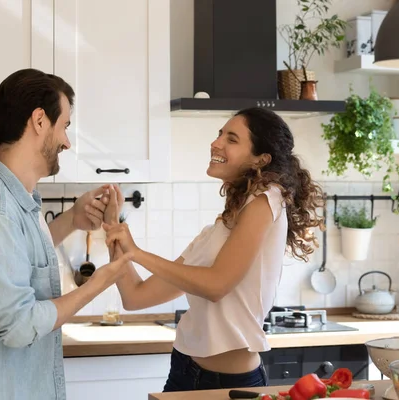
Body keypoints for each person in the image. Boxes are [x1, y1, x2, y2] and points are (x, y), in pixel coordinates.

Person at [0, 68, 132, 400]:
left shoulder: (12, 200)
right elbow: (18, 325)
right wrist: (100, 282)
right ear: (40, 120)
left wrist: (72, 219)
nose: (67, 142)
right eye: (65, 126)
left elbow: (15, 257)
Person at [102, 107, 325, 392]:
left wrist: (137, 252)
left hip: (231, 384)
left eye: (232, 139)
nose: (216, 142)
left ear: (261, 158)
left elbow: (217, 285)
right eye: (220, 134)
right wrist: (114, 231)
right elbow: (136, 297)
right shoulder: (216, 232)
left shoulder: (267, 199)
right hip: (183, 371)